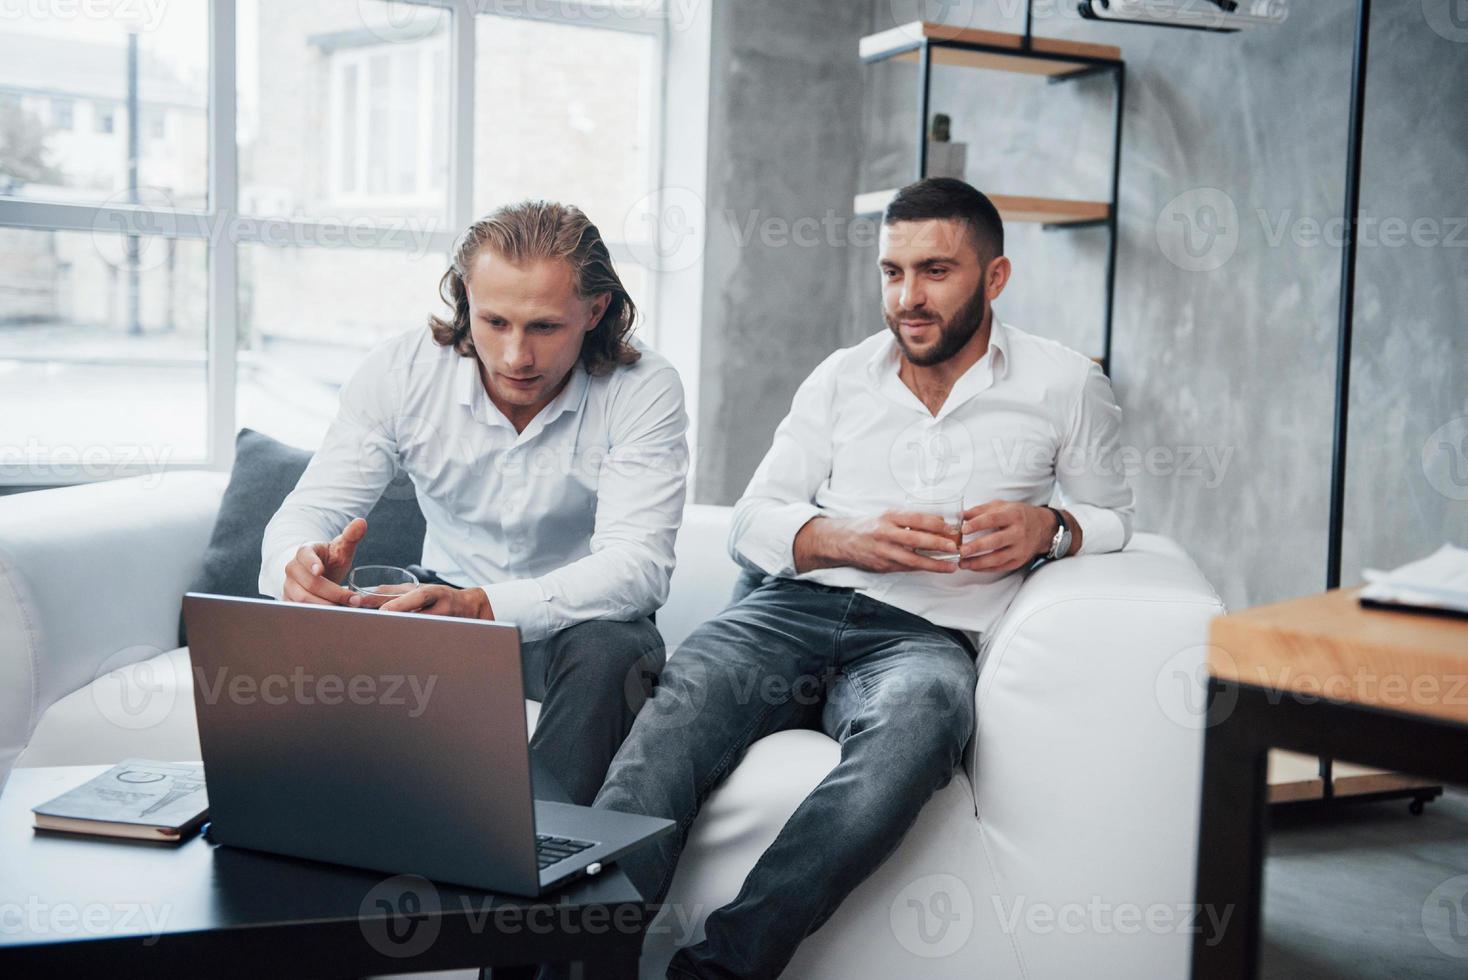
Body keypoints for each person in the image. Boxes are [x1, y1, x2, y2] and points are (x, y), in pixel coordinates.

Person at [589, 177, 1135, 978]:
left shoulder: (1063, 384)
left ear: (996, 278)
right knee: (669, 732)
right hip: (788, 612)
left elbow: (1116, 517)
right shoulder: (843, 376)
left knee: (929, 713)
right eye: (892, 272)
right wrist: (839, 536)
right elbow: (751, 518)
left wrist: (1050, 528)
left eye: (935, 272)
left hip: (924, 639)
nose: (907, 297)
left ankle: (721, 969)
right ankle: (576, 965)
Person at [258, 200, 689, 806]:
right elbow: (311, 510)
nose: (516, 357)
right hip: (440, 602)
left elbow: (638, 567)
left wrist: (482, 607)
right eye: (495, 323)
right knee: (306, 638)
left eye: (544, 327)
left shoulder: (644, 388)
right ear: (465, 298)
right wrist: (295, 567)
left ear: (595, 311)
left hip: (576, 622)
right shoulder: (401, 371)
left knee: (615, 653)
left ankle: (531, 863)